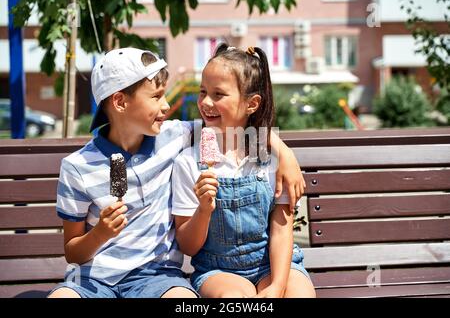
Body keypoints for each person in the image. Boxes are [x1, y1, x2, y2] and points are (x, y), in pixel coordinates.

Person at [48, 47, 305, 298]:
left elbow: (235, 126)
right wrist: (100, 233)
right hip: (92, 280)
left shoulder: (173, 136)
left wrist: (285, 154)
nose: (166, 105)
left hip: (156, 278)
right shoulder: (77, 167)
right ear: (119, 101)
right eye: (157, 96)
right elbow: (73, 253)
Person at [171, 44, 316, 298]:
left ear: (252, 104)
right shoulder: (188, 162)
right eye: (203, 91)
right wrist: (203, 210)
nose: (205, 102)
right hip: (217, 270)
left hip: (274, 264)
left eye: (219, 94)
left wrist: (277, 286)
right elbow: (188, 246)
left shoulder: (272, 159)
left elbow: (282, 229)